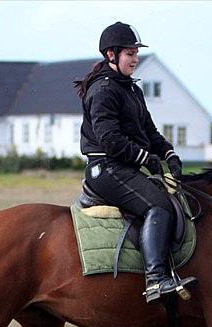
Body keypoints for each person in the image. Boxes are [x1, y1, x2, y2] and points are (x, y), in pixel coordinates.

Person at [74, 22, 197, 304]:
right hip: (105, 169)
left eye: (136, 53)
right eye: (130, 53)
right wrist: (144, 158)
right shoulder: (104, 90)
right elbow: (109, 140)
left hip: (124, 167)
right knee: (159, 206)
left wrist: (169, 154)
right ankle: (156, 279)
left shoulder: (131, 89)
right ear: (111, 55)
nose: (135, 59)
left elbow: (150, 133)